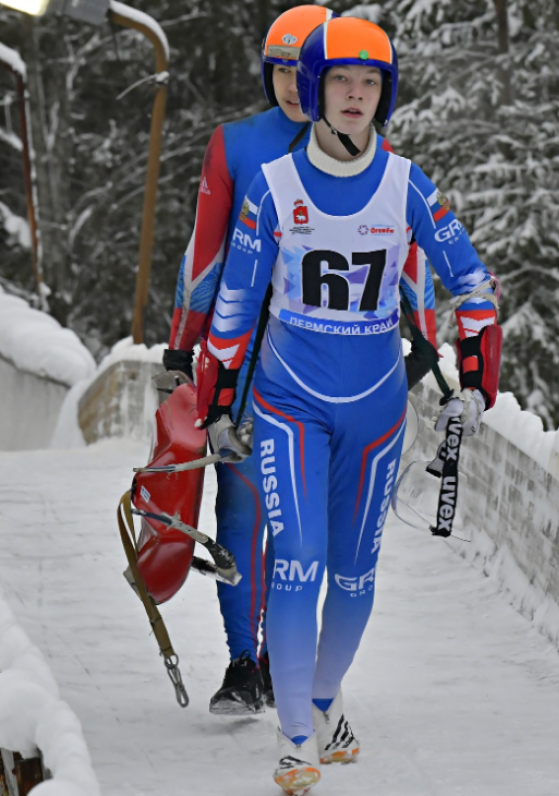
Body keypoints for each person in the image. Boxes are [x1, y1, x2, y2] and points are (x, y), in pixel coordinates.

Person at [200, 16, 502, 795]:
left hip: (375, 410)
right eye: (341, 81)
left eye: (370, 83)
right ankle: (296, 736)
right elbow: (233, 307)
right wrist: (213, 401)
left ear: (385, 94)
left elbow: (471, 284)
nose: (356, 95)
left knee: (356, 576)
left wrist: (478, 371)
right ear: (315, 88)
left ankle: (324, 706)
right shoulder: (271, 187)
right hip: (288, 400)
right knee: (296, 561)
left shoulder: (408, 185)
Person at [162, 6, 439, 716]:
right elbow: (207, 255)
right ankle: (244, 660)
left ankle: (306, 678)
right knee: (245, 507)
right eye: (279, 69)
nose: (292, 84)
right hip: (249, 359)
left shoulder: (359, 142)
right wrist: (184, 345)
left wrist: (424, 334)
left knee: (312, 532)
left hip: (331, 362)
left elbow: (407, 248)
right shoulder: (237, 146)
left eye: (301, 68)